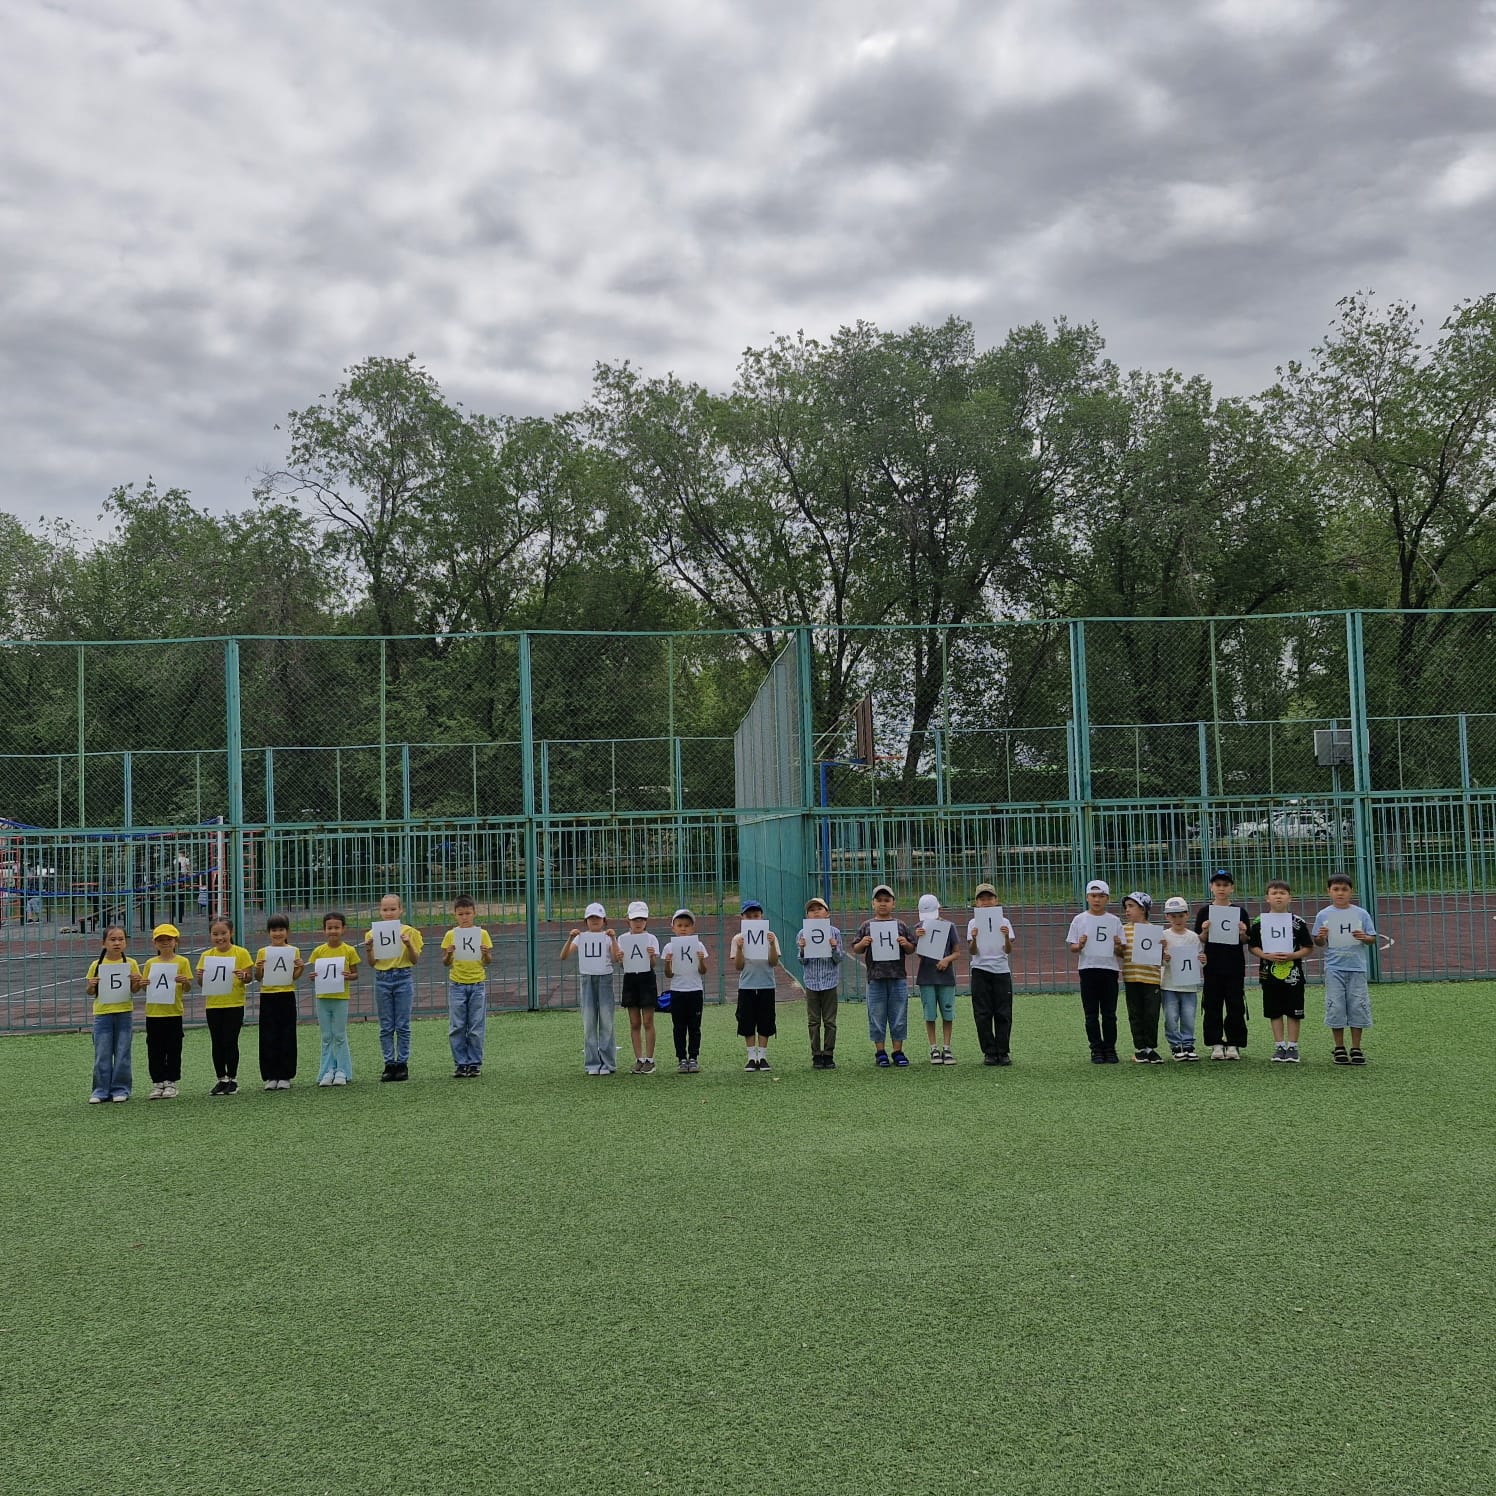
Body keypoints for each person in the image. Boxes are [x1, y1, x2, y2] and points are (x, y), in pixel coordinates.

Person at [1312, 873, 1377, 1065]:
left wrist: (1364, 937)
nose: (1340, 893)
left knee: (1358, 1005)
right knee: (1336, 1006)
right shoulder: (1323, 914)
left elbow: (1372, 938)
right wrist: (1321, 936)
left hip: (1356, 968)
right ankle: (1339, 1047)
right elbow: (1319, 941)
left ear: (1351, 891)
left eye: (1344, 889)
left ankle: (1356, 1047)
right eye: (1336, 889)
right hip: (1334, 968)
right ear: (1329, 891)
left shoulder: (1361, 913)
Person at [1249, 880, 1314, 1064]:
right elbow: (1252, 947)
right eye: (1274, 893)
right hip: (1268, 975)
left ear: (1290, 898)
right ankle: (1279, 1045)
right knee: (1274, 1011)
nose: (1279, 896)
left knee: (1294, 1011)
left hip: (1293, 976)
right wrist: (1267, 956)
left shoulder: (1298, 922)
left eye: (1283, 893)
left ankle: (1293, 1046)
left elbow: (1308, 947)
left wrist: (1292, 955)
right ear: (1267, 898)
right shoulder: (1259, 922)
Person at [852, 883, 915, 1067]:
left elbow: (911, 949)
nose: (883, 904)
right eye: (879, 900)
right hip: (875, 978)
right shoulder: (867, 925)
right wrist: (863, 942)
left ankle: (897, 1051)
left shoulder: (900, 925)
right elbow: (856, 948)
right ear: (873, 904)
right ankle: (880, 1051)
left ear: (893, 903)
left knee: (899, 1014)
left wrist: (905, 943)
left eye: (887, 900)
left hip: (898, 977)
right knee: (876, 1014)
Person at [364, 893, 423, 1082]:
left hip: (403, 977)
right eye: (385, 909)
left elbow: (414, 960)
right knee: (386, 1025)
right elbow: (372, 963)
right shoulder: (373, 933)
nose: (388, 913)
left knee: (403, 1024)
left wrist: (408, 945)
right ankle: (389, 1064)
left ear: (400, 910)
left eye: (392, 909)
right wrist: (369, 949)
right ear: (380, 911)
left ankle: (402, 1063)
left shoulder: (410, 932)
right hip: (382, 978)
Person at [1194, 869, 1251, 1061]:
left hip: (1234, 965)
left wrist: (1243, 932)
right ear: (1211, 887)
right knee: (1212, 1004)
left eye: (1225, 885)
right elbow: (1199, 940)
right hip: (1212, 965)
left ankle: (1234, 1043)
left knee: (1235, 1004)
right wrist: (1204, 931)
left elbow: (1245, 940)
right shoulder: (1205, 911)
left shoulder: (1240, 911)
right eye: (1218, 885)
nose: (1221, 888)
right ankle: (1215, 1043)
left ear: (1232, 888)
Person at [196, 918, 254, 1096]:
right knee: (217, 1042)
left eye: (223, 933)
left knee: (230, 1041)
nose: (219, 937)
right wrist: (201, 976)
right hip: (213, 1005)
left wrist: (243, 975)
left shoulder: (241, 953)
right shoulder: (207, 956)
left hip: (234, 1004)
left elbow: (249, 977)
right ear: (210, 935)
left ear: (231, 933)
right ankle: (221, 1078)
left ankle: (233, 1078)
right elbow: (200, 982)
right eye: (215, 934)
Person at [1066, 879, 1122, 1063]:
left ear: (1107, 898)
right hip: (1088, 969)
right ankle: (1096, 1048)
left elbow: (1121, 951)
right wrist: (1080, 944)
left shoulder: (1114, 921)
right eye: (1093, 896)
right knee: (1091, 1013)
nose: (1097, 900)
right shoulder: (1079, 919)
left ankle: (1110, 1048)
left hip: (1109, 970)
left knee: (1109, 1013)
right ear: (1087, 897)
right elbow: (1073, 947)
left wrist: (1117, 945)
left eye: (1101, 896)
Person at [85, 924, 143, 1102]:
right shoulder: (96, 965)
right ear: (104, 943)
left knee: (123, 1051)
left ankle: (121, 1089)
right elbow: (89, 991)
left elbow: (135, 990)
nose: (117, 943)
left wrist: (137, 981)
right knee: (102, 1052)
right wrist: (92, 985)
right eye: (112, 939)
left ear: (125, 942)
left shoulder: (131, 963)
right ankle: (100, 1090)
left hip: (124, 1013)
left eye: (121, 939)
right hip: (102, 1014)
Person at [561, 901, 617, 1076]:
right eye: (591, 918)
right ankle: (592, 1062)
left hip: (605, 978)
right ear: (586, 921)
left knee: (607, 1020)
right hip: (587, 978)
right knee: (589, 1021)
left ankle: (608, 1063)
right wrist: (570, 938)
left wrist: (614, 938)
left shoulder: (607, 937)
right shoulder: (580, 937)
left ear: (604, 920)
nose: (594, 921)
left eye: (598, 918)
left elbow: (616, 958)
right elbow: (564, 956)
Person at [441, 894, 492, 1079]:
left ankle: (475, 1063)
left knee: (476, 1026)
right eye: (461, 914)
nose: (464, 917)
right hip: (457, 985)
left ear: (474, 913)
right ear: (455, 914)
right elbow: (446, 963)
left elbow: (488, 961)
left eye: (467, 913)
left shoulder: (482, 934)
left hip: (477, 984)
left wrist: (485, 953)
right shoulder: (450, 935)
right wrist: (448, 954)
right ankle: (461, 1063)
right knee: (457, 1026)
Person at [966, 882, 1016, 1066]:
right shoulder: (973, 923)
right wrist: (975, 937)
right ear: (976, 902)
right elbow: (972, 951)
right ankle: (989, 1051)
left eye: (989, 898)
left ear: (996, 900)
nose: (986, 902)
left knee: (1003, 1012)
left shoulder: (1004, 922)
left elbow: (1008, 950)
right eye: (982, 899)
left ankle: (1002, 1051)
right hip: (980, 970)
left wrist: (1005, 936)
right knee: (982, 1013)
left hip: (1001, 970)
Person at [310, 912, 361, 1086]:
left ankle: (343, 1071)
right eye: (329, 928)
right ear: (324, 930)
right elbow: (315, 973)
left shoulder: (349, 950)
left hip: (340, 998)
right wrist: (314, 975)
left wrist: (349, 975)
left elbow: (355, 974)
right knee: (326, 1036)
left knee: (339, 1034)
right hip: (323, 998)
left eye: (336, 927)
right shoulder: (318, 951)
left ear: (343, 929)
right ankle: (326, 1071)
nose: (333, 931)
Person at [142, 922, 192, 1099]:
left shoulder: (182, 961)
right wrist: (143, 984)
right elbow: (145, 987)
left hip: (174, 1012)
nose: (165, 943)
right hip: (154, 1013)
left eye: (169, 939)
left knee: (173, 1048)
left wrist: (184, 981)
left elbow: (188, 988)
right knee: (154, 1049)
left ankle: (171, 1081)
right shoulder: (150, 963)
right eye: (160, 940)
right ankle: (157, 1082)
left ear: (175, 942)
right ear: (155, 943)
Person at [732, 898, 781, 1072]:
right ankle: (751, 1056)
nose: (753, 919)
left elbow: (774, 962)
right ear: (742, 918)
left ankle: (763, 1056)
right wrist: (739, 948)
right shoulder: (738, 938)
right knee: (747, 1020)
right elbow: (738, 966)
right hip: (746, 985)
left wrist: (772, 944)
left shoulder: (770, 936)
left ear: (762, 916)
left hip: (766, 985)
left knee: (765, 1020)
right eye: (749, 916)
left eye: (756, 915)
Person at [914, 893, 959, 1065]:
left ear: (939, 908)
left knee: (948, 1013)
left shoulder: (950, 926)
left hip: (945, 977)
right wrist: (918, 937)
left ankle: (946, 1047)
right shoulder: (920, 926)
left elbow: (957, 952)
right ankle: (933, 1048)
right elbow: (918, 953)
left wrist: (946, 960)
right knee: (929, 1014)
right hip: (926, 977)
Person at [796, 895, 842, 1069]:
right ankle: (816, 1054)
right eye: (811, 910)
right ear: (807, 915)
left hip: (829, 982)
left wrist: (834, 947)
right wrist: (802, 949)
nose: (815, 913)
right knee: (813, 1021)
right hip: (812, 983)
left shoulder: (835, 932)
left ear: (827, 913)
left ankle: (829, 1054)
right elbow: (801, 961)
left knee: (830, 1020)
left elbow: (839, 959)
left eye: (819, 909)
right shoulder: (802, 934)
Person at [663, 908, 710, 1073]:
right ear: (673, 927)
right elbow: (668, 974)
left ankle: (694, 1058)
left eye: (687, 925)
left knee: (695, 1027)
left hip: (695, 990)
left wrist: (701, 960)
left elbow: (703, 971)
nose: (683, 928)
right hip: (677, 991)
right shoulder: (669, 947)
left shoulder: (699, 945)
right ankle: (681, 1058)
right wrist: (667, 962)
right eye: (680, 925)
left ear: (693, 928)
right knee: (679, 1027)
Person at [1119, 891, 1164, 1064]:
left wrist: (1163, 949)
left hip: (1151, 979)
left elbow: (1161, 957)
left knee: (1151, 1015)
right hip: (1131, 978)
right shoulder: (1123, 930)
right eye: (1126, 907)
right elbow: (1120, 954)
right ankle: (1140, 1048)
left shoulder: (1154, 932)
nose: (1127, 910)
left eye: (1131, 906)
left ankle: (1150, 1048)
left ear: (1143, 909)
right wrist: (1117, 945)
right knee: (1135, 1014)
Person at [616, 900, 660, 1075]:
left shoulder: (651, 938)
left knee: (648, 1021)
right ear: (628, 920)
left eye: (642, 919)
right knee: (634, 1022)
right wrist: (620, 958)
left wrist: (651, 956)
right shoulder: (622, 939)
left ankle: (650, 1059)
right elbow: (622, 965)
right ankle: (639, 1058)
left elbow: (654, 964)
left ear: (646, 920)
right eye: (635, 919)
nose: (638, 923)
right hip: (631, 980)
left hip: (646, 979)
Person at [1159, 897, 1203, 1062]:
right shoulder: (1163, 936)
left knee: (1188, 1016)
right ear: (1167, 917)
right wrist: (1165, 958)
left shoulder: (1193, 937)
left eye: (1180, 915)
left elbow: (1198, 959)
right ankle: (1175, 1045)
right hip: (1169, 984)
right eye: (1173, 916)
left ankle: (1188, 1044)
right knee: (1170, 1017)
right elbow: (1158, 960)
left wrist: (1203, 961)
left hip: (1189, 985)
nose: (1177, 919)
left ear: (1186, 915)